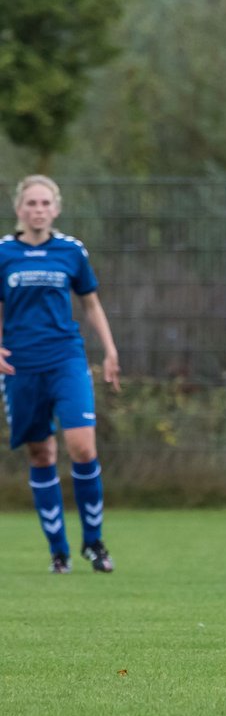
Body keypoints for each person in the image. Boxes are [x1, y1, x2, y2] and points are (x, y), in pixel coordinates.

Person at [0, 175, 120, 574]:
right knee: (42, 453)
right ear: (19, 209)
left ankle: (94, 543)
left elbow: (91, 304)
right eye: (31, 203)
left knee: (82, 447)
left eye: (45, 203)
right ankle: (59, 551)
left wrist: (110, 350)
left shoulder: (71, 251)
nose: (38, 210)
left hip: (66, 359)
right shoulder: (4, 253)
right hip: (20, 365)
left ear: (56, 208)